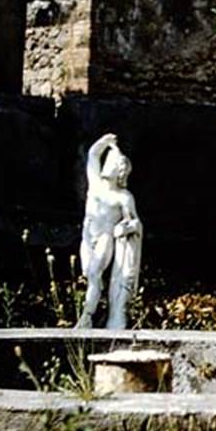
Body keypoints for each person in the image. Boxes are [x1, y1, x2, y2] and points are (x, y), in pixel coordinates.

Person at [76, 133, 142, 329]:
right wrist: (106, 143)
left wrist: (125, 227)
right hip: (88, 236)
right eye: (108, 162)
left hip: (105, 237)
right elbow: (93, 155)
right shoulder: (95, 185)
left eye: (112, 163)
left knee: (95, 274)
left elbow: (135, 222)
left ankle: (86, 317)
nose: (107, 165)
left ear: (120, 172)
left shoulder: (123, 197)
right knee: (89, 275)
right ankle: (93, 307)